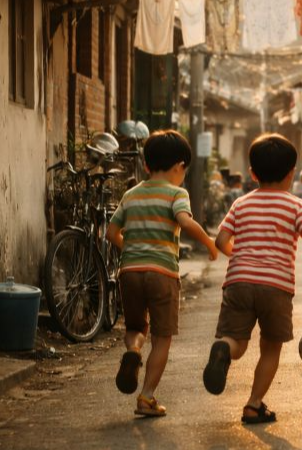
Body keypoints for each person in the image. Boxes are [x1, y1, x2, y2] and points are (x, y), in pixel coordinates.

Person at [202, 133, 302, 424]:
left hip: (238, 282)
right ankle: (253, 404)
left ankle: (223, 350)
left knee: (236, 342)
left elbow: (220, 239)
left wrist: (240, 257)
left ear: (252, 173)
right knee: (270, 348)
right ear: (292, 173)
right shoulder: (296, 206)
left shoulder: (241, 204)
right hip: (276, 287)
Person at [106, 129, 218, 417]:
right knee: (162, 336)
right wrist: (208, 242)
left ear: (146, 165)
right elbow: (184, 220)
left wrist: (130, 250)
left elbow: (110, 232)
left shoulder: (130, 195)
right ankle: (147, 396)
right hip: (162, 273)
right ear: (180, 167)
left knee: (135, 329)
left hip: (129, 271)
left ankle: (133, 351)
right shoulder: (177, 193)